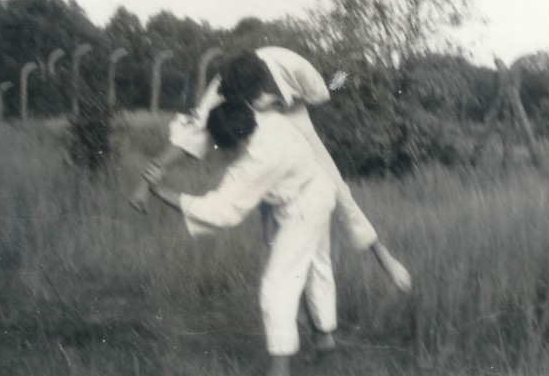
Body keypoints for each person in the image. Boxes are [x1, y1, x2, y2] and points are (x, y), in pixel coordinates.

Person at [132, 46, 412, 293]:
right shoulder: (223, 87)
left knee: (338, 187)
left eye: (252, 98)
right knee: (270, 212)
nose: (251, 103)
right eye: (245, 101)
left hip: (294, 110)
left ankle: (384, 257)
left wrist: (286, 114)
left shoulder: (294, 66)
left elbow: (321, 93)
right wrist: (144, 185)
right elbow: (188, 136)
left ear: (262, 82)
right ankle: (293, 301)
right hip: (259, 125)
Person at [145, 99, 338, 376]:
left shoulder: (252, 164)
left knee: (277, 286)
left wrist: (161, 191)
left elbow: (220, 212)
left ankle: (280, 371)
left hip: (303, 209)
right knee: (316, 267)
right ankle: (324, 338)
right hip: (318, 186)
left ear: (229, 144)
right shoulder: (272, 119)